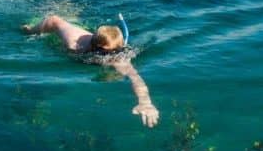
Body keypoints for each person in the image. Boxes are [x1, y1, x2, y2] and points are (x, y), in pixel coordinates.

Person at [22, 14, 160, 127]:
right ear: (94, 47)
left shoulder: (118, 58)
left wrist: (145, 102)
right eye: (105, 53)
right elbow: (54, 20)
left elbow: (136, 78)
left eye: (115, 51)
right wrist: (31, 30)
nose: (111, 57)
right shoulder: (74, 44)